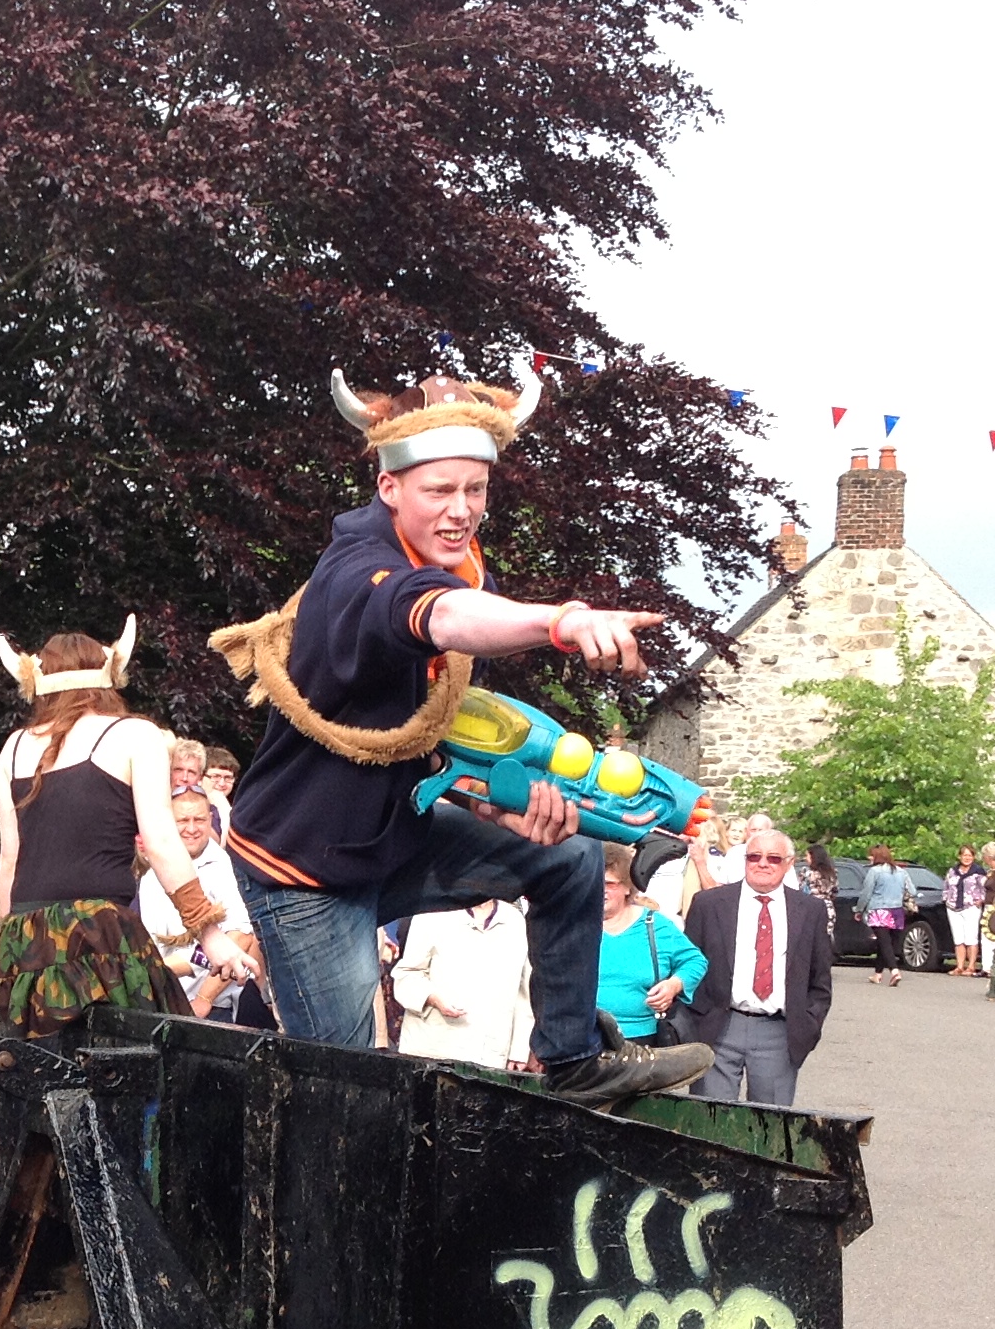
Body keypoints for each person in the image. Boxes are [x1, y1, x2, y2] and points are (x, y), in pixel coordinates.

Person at [209, 363, 711, 1103]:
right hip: (303, 867)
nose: (461, 510)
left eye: (475, 490)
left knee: (570, 858)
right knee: (345, 1088)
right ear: (389, 487)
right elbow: (442, 616)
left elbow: (436, 734)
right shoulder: (361, 572)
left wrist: (495, 806)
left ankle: (573, 1060)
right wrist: (563, 621)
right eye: (439, 490)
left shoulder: (460, 564)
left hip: (392, 834)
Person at [0, 625, 250, 1038]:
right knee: (135, 1065)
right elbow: (161, 843)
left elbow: (10, 862)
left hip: (28, 940)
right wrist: (210, 934)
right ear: (109, 675)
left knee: (38, 1068)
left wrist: (10, 950)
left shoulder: (13, 748)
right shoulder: (134, 734)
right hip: (100, 938)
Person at [686, 828, 834, 1108]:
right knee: (710, 1120)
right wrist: (695, 1020)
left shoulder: (810, 910)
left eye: (773, 858)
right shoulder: (709, 904)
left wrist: (809, 1024)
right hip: (718, 1027)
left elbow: (820, 978)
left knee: (769, 1123)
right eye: (754, 856)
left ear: (789, 864)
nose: (763, 864)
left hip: (778, 1032)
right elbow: (688, 965)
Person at [136, 785, 271, 1025]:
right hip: (167, 999)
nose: (191, 828)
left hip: (215, 1007)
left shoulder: (225, 868)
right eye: (183, 820)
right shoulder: (150, 877)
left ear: (210, 819)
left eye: (199, 820)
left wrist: (204, 998)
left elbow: (241, 936)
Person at [391, 899, 535, 1071]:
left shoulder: (515, 921)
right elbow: (406, 975)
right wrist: (432, 998)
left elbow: (525, 993)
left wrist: (519, 1050)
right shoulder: (432, 913)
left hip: (490, 1058)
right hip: (432, 1054)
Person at [595, 843, 708, 1048]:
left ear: (627, 886)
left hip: (643, 1040)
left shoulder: (654, 925)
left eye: (609, 884)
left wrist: (674, 985)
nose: (601, 890)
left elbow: (695, 961)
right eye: (594, 882)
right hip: (584, 1038)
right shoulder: (575, 925)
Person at [855, 845, 913, 988]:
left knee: (884, 942)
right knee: (885, 942)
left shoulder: (874, 871)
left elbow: (866, 893)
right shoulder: (901, 871)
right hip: (897, 911)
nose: (869, 858)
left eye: (871, 855)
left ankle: (894, 971)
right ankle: (878, 973)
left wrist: (859, 910)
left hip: (879, 909)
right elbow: (912, 890)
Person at [946, 843, 987, 978]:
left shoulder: (978, 872)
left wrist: (980, 900)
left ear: (973, 857)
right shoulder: (953, 871)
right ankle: (959, 966)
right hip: (953, 907)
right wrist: (946, 899)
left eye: (970, 855)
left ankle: (971, 966)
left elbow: (985, 888)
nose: (967, 858)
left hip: (971, 907)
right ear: (959, 856)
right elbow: (946, 886)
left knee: (971, 938)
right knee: (958, 938)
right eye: (964, 855)